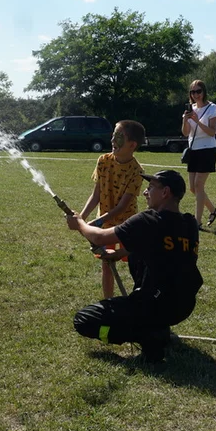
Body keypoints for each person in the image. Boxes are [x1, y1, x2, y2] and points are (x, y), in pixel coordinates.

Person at [67, 170, 203, 363]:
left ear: (165, 192)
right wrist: (119, 254)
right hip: (183, 306)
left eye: (150, 188)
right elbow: (160, 246)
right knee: (138, 253)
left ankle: (146, 335)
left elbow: (98, 237)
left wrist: (79, 223)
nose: (145, 192)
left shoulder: (148, 220)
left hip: (153, 306)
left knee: (84, 320)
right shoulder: (189, 223)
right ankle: (157, 326)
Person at [78, 120, 146, 298]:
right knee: (107, 265)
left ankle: (140, 302)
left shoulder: (137, 171)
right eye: (113, 135)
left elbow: (122, 207)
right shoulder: (103, 161)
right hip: (106, 227)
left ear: (132, 145)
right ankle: (109, 303)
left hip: (127, 226)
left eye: (119, 137)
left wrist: (95, 222)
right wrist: (81, 218)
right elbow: (96, 195)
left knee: (135, 265)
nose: (113, 141)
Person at [182, 79, 216, 229]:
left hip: (207, 149)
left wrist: (197, 121)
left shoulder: (212, 109)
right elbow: (186, 133)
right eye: (193, 92)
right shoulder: (190, 109)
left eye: (198, 91)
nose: (196, 95)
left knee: (199, 185)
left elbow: (212, 132)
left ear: (204, 92)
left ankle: (197, 222)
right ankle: (213, 210)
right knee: (193, 188)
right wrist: (186, 120)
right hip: (193, 150)